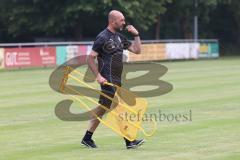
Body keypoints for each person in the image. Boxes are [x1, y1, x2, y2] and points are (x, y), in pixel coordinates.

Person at [81, 10, 144, 149]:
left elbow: (137, 50)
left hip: (117, 80)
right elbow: (90, 58)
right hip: (107, 80)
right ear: (112, 21)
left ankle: (87, 138)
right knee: (118, 107)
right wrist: (98, 76)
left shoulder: (120, 38)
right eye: (121, 20)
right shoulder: (102, 37)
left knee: (102, 109)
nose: (124, 22)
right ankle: (129, 141)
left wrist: (136, 35)